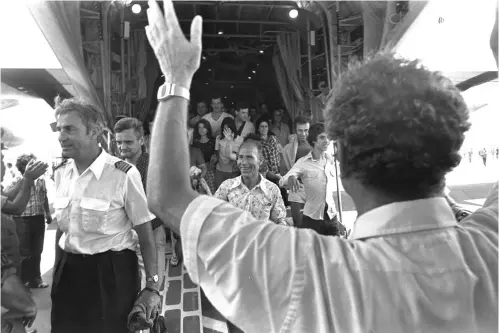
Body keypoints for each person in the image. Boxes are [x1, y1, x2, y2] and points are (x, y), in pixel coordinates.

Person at [145, 2, 498, 332]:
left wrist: (177, 76)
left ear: (339, 161)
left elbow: (168, 195)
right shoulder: (491, 243)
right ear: (451, 152)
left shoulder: (313, 273)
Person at [51, 97, 160, 333]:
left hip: (110, 274)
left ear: (94, 132)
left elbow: (145, 232)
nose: (61, 136)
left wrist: (152, 288)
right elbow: (62, 229)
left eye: (69, 129)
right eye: (59, 129)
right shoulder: (61, 173)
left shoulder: (122, 174)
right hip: (68, 271)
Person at [113, 117, 167, 296]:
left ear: (141, 141)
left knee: (153, 283)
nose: (122, 147)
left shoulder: (153, 164)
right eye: (119, 142)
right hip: (126, 231)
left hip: (151, 229)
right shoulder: (116, 166)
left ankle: (154, 311)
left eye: (128, 142)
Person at [280, 123, 343, 236]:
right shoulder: (303, 163)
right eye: (322, 137)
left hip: (331, 217)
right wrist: (291, 178)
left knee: (336, 252)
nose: (326, 140)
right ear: (314, 140)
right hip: (312, 219)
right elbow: (282, 181)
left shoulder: (331, 161)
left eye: (328, 137)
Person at [215, 138, 288, 225]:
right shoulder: (226, 187)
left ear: (260, 161)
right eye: (240, 157)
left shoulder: (272, 190)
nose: (244, 162)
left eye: (249, 157)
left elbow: (280, 221)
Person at [5, 154, 51, 289]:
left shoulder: (41, 181)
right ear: (23, 168)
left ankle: (36, 278)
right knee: (24, 252)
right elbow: (10, 202)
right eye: (31, 165)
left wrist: (47, 213)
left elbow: (45, 197)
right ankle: (23, 281)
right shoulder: (16, 182)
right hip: (22, 219)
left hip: (38, 218)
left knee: (38, 249)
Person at [280, 116, 311, 226]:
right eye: (300, 130)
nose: (303, 134)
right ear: (295, 131)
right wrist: (291, 178)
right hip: (297, 189)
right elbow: (283, 171)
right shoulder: (288, 149)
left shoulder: (316, 145)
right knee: (299, 224)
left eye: (306, 130)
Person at [214, 117, 241, 189]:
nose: (226, 130)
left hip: (233, 171)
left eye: (228, 128)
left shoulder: (239, 139)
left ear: (232, 128)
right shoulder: (219, 138)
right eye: (224, 128)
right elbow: (216, 152)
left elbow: (239, 156)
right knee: (219, 193)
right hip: (220, 170)